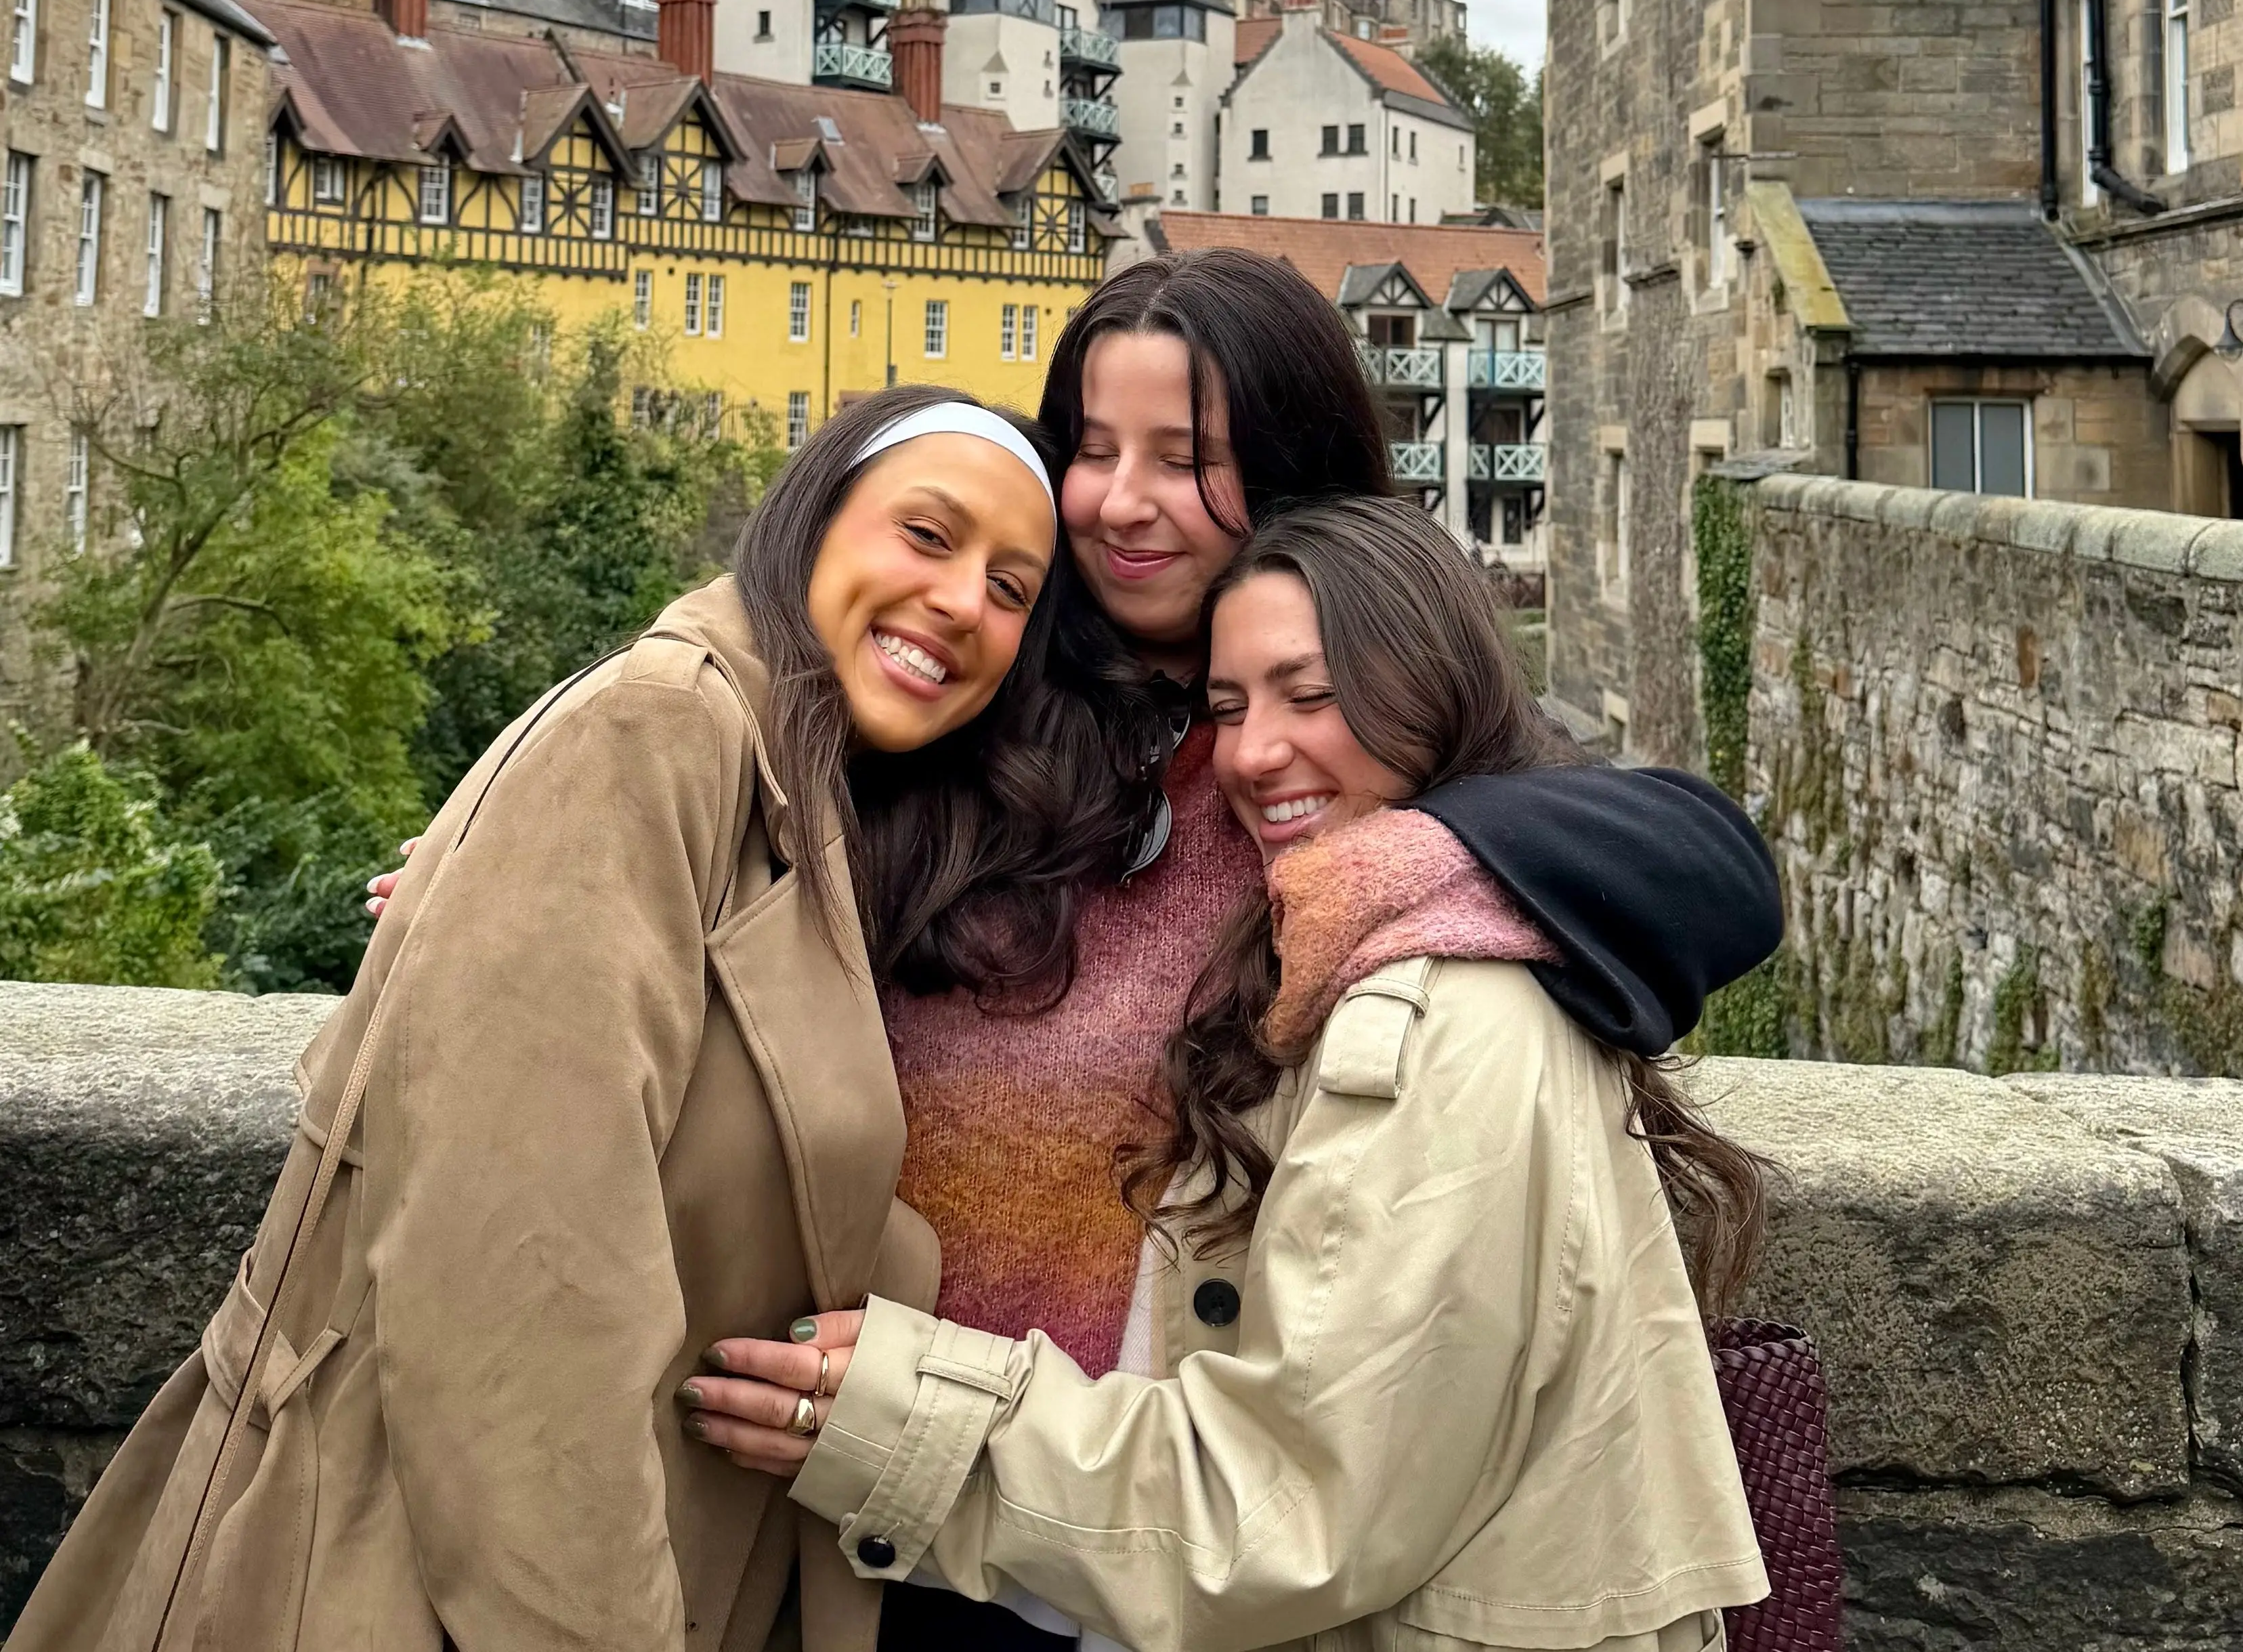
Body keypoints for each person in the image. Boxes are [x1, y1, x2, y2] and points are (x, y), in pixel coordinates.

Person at [365, 250, 1783, 1648]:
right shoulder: (967, 712)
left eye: (1186, 456)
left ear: (1291, 466)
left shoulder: (1360, 773)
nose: (1120, 501)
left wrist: (1398, 871)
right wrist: (530, 886)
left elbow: (1708, 870)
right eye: (1091, 447)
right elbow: (720, 833)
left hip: (1145, 1541)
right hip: (859, 1509)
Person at [7, 385, 1124, 1652]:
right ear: (814, 521)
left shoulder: (790, 794)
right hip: (406, 1585)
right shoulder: (656, 733)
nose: (965, 602)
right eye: (928, 536)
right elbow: (518, 1290)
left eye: (1013, 589)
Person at [685, 496, 1774, 1652]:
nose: (1253, 755)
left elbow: (1292, 1511)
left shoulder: (1446, 1014)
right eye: (1229, 707)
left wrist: (905, 1422)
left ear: (1437, 690)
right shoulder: (1399, 947)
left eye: (1311, 696)